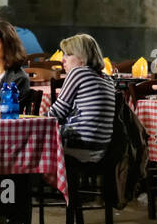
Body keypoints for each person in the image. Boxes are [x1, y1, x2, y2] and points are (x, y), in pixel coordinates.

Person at [48, 33, 116, 163]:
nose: (63, 59)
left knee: (32, 139)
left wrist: (34, 120)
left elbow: (57, 113)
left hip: (80, 146)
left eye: (68, 54)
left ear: (82, 58)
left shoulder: (78, 72)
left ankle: (31, 181)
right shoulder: (107, 79)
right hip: (100, 149)